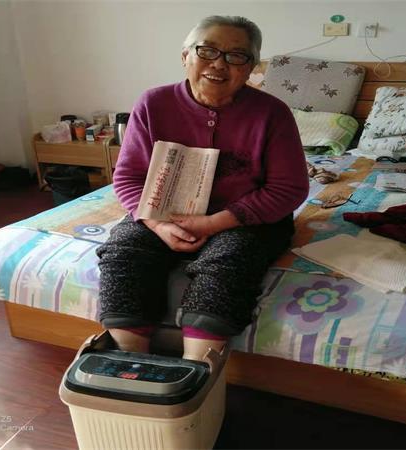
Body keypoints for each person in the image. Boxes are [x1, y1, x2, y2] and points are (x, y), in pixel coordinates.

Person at [96, 15, 309, 361]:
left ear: (250, 68)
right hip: (164, 214)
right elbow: (128, 177)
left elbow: (289, 189)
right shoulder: (153, 104)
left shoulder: (273, 113)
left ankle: (197, 369)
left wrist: (214, 223)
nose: (219, 64)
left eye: (236, 56)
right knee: (124, 250)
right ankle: (127, 362)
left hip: (245, 220)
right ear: (186, 56)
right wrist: (157, 224)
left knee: (230, 261)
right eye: (207, 50)